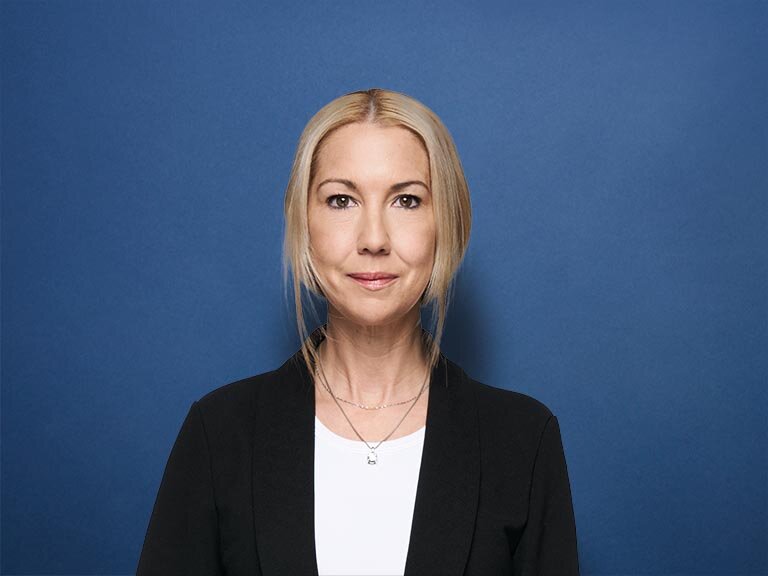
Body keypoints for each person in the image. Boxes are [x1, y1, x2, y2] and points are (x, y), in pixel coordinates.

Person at [136, 88, 580, 576]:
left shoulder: (523, 441)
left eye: (406, 200)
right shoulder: (219, 433)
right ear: (304, 224)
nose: (373, 239)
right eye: (341, 200)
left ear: (447, 224)